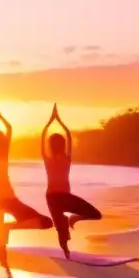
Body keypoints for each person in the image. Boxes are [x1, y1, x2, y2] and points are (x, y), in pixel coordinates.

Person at [0, 96, 53, 278]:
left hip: (9, 198)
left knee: (45, 222)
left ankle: (9, 228)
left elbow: (9, 130)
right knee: (0, 242)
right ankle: (5, 268)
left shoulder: (4, 154)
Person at [41, 103, 102, 258]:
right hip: (55, 197)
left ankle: (74, 220)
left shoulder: (52, 159)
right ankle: (67, 253)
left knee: (92, 215)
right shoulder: (64, 158)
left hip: (59, 197)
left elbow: (45, 139)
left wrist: (50, 123)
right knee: (61, 227)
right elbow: (68, 137)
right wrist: (59, 122)